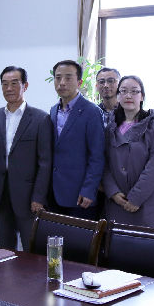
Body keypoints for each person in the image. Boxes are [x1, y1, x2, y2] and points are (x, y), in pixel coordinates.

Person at [0, 66, 53, 251]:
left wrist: (39, 197)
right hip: (1, 194)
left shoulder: (40, 118)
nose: (9, 88)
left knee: (31, 248)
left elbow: (45, 163)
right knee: (4, 247)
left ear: (25, 86)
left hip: (28, 196)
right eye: (4, 84)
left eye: (14, 83)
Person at [103, 75, 154, 228]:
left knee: (148, 241)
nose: (128, 96)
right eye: (123, 91)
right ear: (118, 96)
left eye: (134, 91)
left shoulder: (153, 125)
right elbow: (104, 163)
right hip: (117, 202)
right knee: (116, 240)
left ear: (142, 96)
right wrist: (112, 192)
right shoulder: (110, 127)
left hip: (146, 202)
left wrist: (136, 197)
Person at [49, 59, 104, 219]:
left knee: (79, 235)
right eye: (58, 78)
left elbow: (97, 156)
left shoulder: (92, 112)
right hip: (54, 192)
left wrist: (89, 190)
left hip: (80, 195)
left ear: (79, 82)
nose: (62, 82)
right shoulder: (53, 110)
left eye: (68, 77)